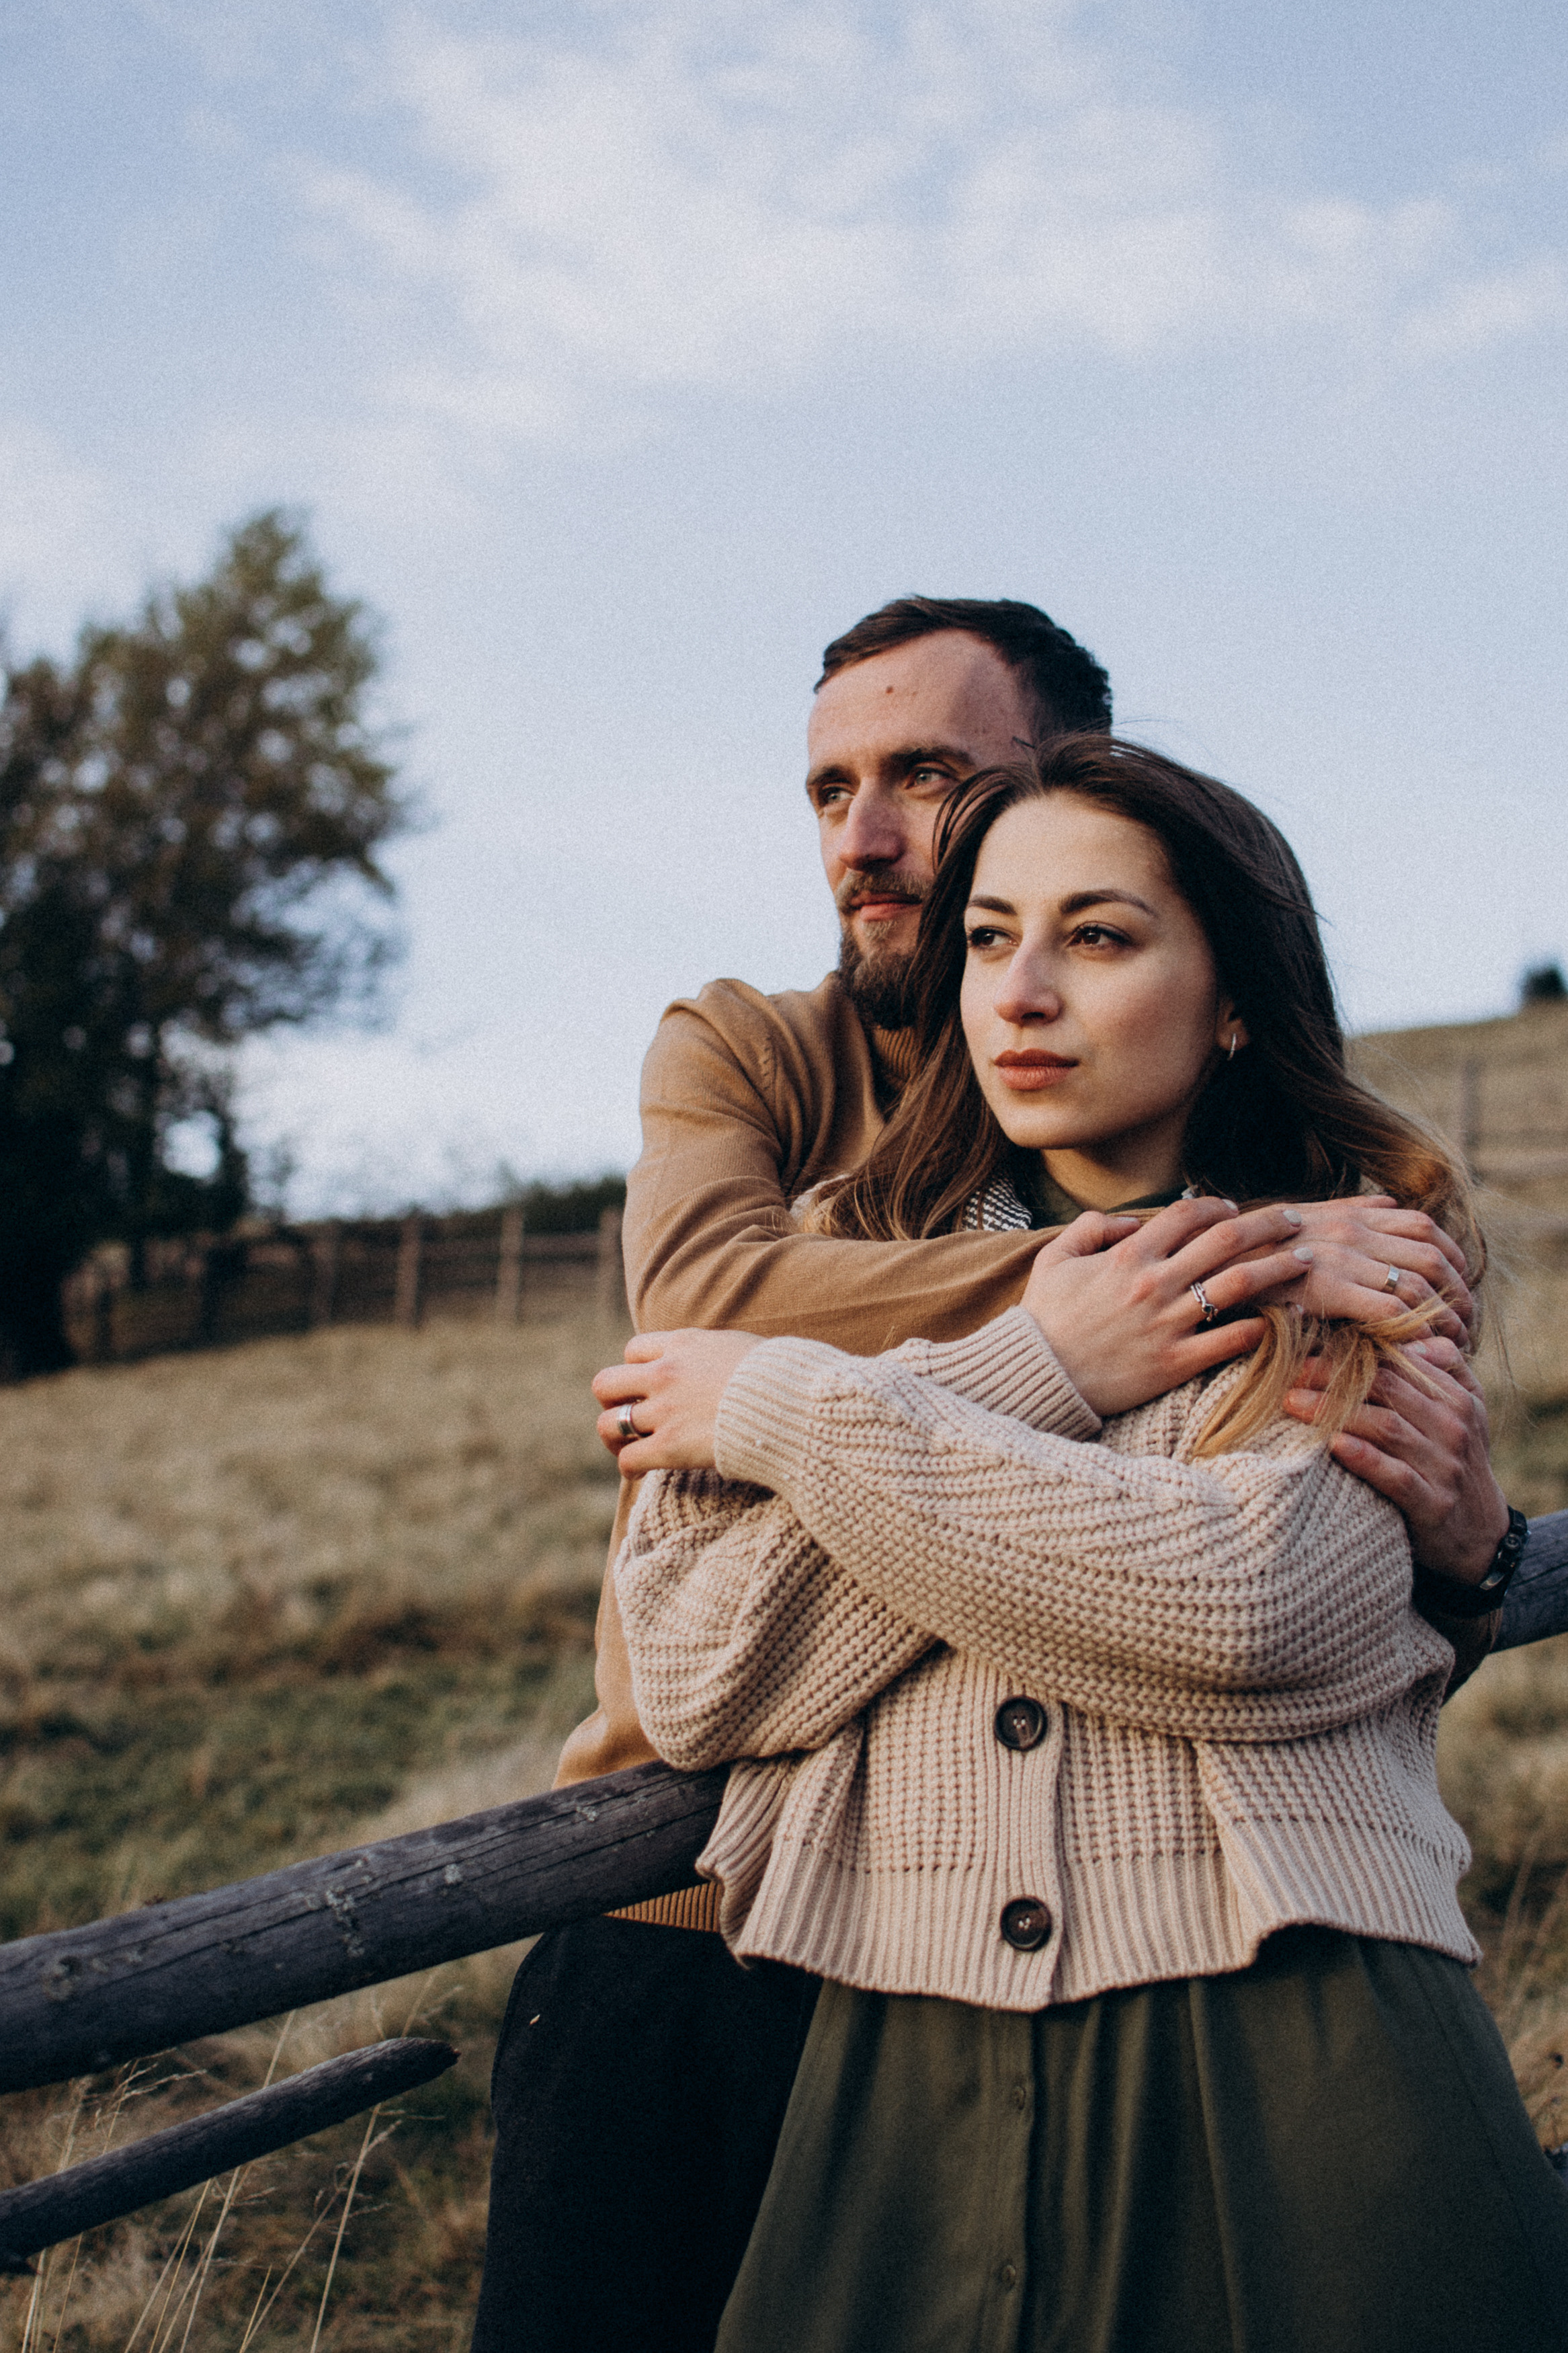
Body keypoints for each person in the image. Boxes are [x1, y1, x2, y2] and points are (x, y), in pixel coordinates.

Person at [470, 602, 1506, 2353]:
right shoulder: (805, 1161)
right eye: (992, 941)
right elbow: (705, 1653)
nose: (1018, 989)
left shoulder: (1353, 1254)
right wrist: (1050, 1362)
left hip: (1281, 2021)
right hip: (829, 1998)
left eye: (1093, 935)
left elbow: (1257, 1599)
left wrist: (803, 1421)